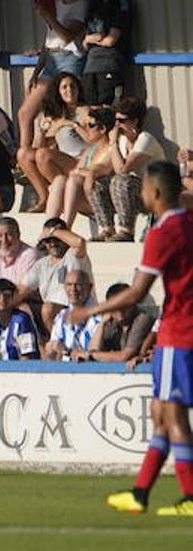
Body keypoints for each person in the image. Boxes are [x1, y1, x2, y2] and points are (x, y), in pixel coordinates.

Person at [68, 161, 193, 516]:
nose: (139, 195)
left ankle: (190, 497)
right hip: (179, 333)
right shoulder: (188, 221)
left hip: (179, 333)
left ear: (154, 193)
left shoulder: (162, 233)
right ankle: (140, 494)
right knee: (160, 412)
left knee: (173, 417)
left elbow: (137, 292)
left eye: (142, 189)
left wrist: (90, 311)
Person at [17, 0, 89, 170]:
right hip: (51, 60)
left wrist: (49, 16)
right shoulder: (56, 5)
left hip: (69, 59)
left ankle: (65, 158)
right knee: (25, 112)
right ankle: (24, 158)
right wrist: (36, 72)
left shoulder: (80, 6)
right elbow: (49, 41)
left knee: (64, 110)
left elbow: (67, 36)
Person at [89, 96, 162, 241]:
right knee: (98, 184)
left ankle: (126, 230)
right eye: (116, 120)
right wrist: (90, 175)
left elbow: (123, 170)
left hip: (154, 195)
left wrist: (113, 142)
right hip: (133, 193)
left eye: (121, 121)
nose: (117, 125)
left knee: (121, 181)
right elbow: (109, 167)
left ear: (135, 121)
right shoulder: (122, 141)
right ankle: (107, 229)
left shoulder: (145, 139)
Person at [19, 71, 87, 213]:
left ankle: (62, 194)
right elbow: (39, 147)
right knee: (23, 154)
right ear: (59, 92)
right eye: (64, 87)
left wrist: (72, 125)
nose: (69, 90)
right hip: (63, 161)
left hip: (82, 161)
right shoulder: (56, 116)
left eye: (72, 86)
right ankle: (45, 197)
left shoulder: (85, 112)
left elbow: (93, 141)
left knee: (43, 155)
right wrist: (42, 132)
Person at [45, 105, 114, 226]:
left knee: (74, 181)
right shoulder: (90, 150)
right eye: (85, 124)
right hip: (85, 196)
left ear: (103, 129)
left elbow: (97, 171)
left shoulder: (111, 150)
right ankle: (48, 228)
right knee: (60, 180)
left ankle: (66, 227)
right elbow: (76, 171)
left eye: (90, 125)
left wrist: (86, 173)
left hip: (101, 200)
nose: (86, 128)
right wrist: (85, 173)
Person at [81, 0, 135, 105]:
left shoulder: (122, 3)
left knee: (108, 109)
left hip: (110, 64)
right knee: (91, 111)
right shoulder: (93, 6)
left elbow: (110, 40)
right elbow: (84, 43)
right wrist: (91, 38)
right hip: (90, 66)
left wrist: (91, 39)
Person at [27, 219, 92, 330]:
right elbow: (21, 290)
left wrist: (52, 231)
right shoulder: (41, 264)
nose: (52, 244)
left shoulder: (74, 255)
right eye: (48, 240)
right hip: (51, 316)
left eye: (57, 239)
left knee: (48, 309)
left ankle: (57, 342)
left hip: (78, 309)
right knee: (23, 307)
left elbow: (80, 242)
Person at [84, 283, 155, 364]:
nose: (119, 311)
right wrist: (102, 324)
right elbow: (93, 349)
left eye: (124, 306)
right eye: (115, 307)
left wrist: (92, 355)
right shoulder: (111, 321)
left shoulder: (143, 318)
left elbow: (125, 356)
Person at [45, 270, 103, 361]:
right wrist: (51, 350)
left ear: (89, 287)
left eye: (78, 285)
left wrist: (66, 351)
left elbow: (92, 356)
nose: (73, 289)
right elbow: (53, 354)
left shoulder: (100, 317)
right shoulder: (61, 316)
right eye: (69, 284)